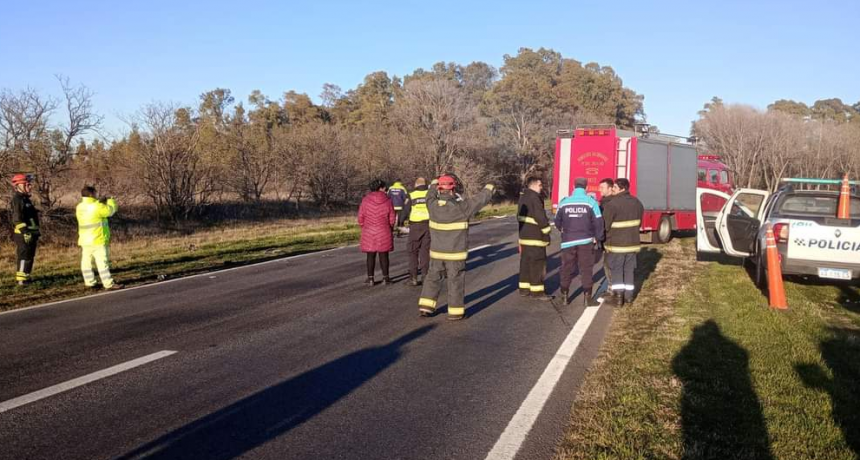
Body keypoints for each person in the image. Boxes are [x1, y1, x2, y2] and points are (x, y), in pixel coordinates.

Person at [418, 175, 494, 321]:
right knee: (455, 281)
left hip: (437, 253)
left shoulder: (432, 206)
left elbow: (429, 195)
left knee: (432, 278)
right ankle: (455, 312)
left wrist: (435, 183)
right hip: (455, 254)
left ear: (440, 189)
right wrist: (489, 188)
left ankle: (426, 307)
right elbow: (479, 200)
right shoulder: (462, 208)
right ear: (453, 189)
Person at [555, 177, 604, 306]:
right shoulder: (591, 202)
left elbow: (557, 221)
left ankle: (565, 296)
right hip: (585, 241)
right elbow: (598, 222)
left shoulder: (564, 202)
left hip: (567, 241)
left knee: (566, 268)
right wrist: (598, 239)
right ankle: (587, 299)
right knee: (585, 269)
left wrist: (563, 231)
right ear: (586, 188)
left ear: (573, 187)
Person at [602, 178, 644, 306]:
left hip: (617, 245)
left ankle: (619, 298)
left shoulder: (612, 204)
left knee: (617, 271)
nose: (612, 189)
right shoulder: (637, 203)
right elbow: (639, 222)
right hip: (632, 244)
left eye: (614, 187)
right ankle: (629, 297)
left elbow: (606, 225)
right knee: (629, 270)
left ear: (622, 188)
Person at [76, 185, 121, 290]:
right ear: (91, 194)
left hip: (84, 240)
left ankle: (90, 282)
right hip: (98, 239)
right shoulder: (97, 206)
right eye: (95, 193)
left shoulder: (79, 207)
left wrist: (99, 202)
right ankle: (108, 284)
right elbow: (111, 211)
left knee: (86, 263)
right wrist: (110, 201)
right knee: (102, 263)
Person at [517, 176, 552, 301]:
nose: (541, 188)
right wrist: (547, 232)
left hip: (525, 237)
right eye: (541, 185)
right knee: (537, 264)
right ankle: (537, 292)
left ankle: (524, 289)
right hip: (536, 237)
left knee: (525, 263)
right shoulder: (535, 197)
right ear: (536, 184)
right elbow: (540, 217)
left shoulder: (523, 197)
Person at [358, 179, 396, 285]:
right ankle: (386, 277)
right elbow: (392, 218)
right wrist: (390, 227)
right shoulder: (388, 201)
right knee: (384, 255)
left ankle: (370, 278)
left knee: (370, 255)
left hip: (369, 230)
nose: (386, 190)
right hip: (384, 229)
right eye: (384, 188)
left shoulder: (365, 200)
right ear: (380, 188)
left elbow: (360, 217)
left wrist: (363, 226)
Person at [10, 174, 40, 286]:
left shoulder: (25, 199)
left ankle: (27, 277)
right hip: (23, 234)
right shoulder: (17, 199)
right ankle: (21, 280)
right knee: (24, 256)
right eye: (27, 184)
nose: (30, 186)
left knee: (30, 256)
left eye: (30, 184)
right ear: (18, 186)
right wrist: (25, 232)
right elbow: (17, 219)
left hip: (32, 234)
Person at [403, 177, 430, 286]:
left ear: (416, 185)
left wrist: (400, 223)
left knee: (413, 251)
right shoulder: (431, 194)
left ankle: (413, 277)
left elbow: (405, 210)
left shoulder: (412, 195)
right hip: (429, 224)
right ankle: (425, 276)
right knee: (425, 252)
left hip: (415, 226)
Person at [597, 178, 616, 298]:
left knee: (609, 264)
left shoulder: (611, 203)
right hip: (606, 239)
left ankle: (612, 289)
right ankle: (612, 288)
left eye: (602, 187)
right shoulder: (603, 201)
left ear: (610, 188)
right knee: (607, 263)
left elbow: (605, 222)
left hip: (611, 238)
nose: (600, 190)